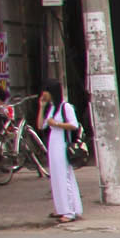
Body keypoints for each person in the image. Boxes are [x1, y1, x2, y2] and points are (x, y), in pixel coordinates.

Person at [38, 81, 83, 223]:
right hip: (53, 144)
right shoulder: (51, 108)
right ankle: (62, 208)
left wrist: (56, 124)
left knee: (65, 177)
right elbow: (40, 125)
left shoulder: (66, 107)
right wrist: (41, 107)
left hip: (62, 145)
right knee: (56, 177)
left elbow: (74, 125)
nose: (44, 94)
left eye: (46, 91)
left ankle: (70, 211)